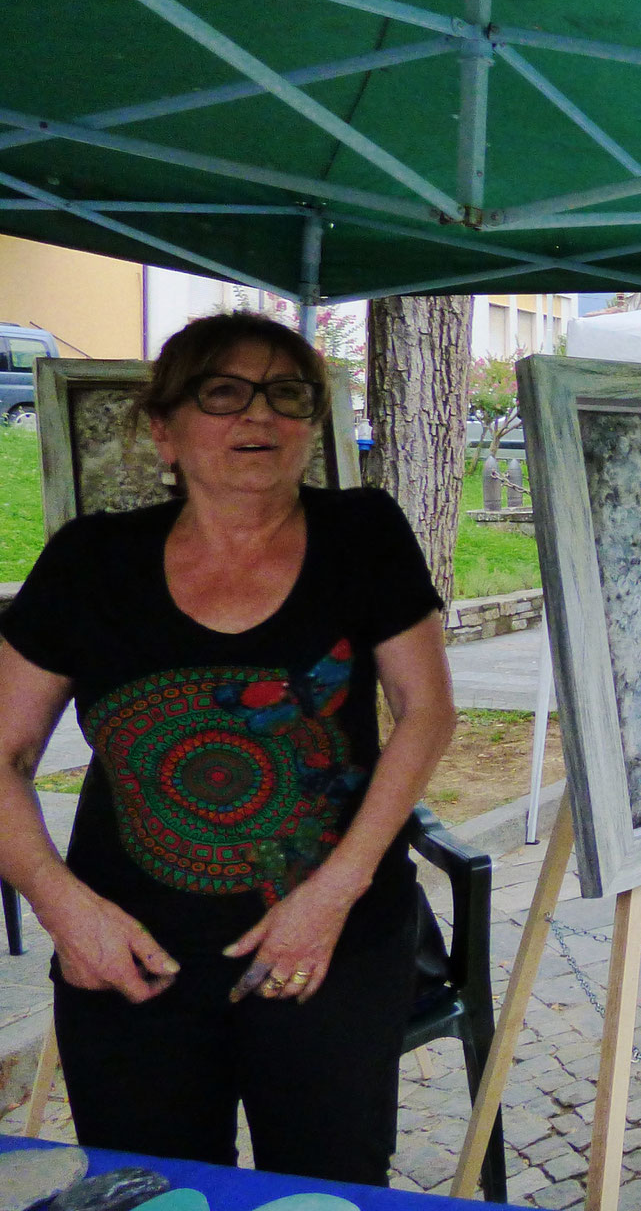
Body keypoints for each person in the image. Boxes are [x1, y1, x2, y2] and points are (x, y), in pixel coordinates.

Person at [0, 313, 457, 1185]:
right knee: (153, 1192)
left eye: (288, 395)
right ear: (163, 432)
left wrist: (333, 894)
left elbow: (427, 711)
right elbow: (3, 751)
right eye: (224, 393)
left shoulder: (363, 534)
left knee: (325, 1189)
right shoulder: (92, 562)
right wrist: (64, 909)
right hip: (129, 957)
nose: (261, 416)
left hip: (330, 947)